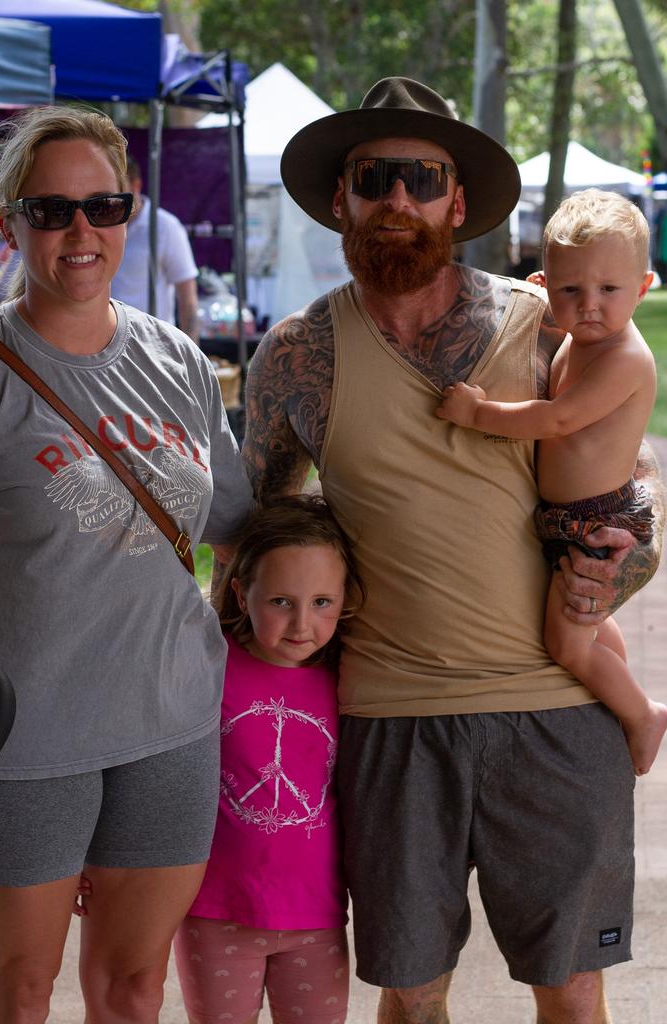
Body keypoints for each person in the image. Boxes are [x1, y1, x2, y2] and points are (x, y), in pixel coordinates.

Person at [241, 77, 664, 1024]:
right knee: (410, 988)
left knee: (573, 988)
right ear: (340, 199)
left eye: (421, 178)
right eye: (374, 177)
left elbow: (629, 488)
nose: (398, 199)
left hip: (556, 715)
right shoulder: (297, 358)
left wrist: (619, 561)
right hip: (392, 718)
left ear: (457, 202)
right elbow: (258, 540)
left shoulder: (548, 320)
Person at [0, 105, 252, 1023]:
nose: (81, 231)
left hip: (172, 724)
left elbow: (239, 523)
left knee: (134, 987)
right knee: (17, 990)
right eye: (51, 211)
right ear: (8, 222)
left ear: (131, 212)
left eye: (104, 205)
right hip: (19, 741)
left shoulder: (175, 357)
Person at [436, 188, 667, 777]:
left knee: (565, 643)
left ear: (643, 288)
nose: (589, 306)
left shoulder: (625, 359)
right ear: (544, 282)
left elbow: (557, 419)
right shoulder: (579, 338)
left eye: (609, 291)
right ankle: (620, 688)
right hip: (567, 519)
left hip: (603, 518)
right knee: (584, 628)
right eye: (571, 290)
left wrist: (477, 414)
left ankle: (642, 714)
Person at [172, 494, 364, 1024]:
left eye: (322, 602)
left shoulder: (352, 677)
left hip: (316, 914)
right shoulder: (207, 667)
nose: (302, 623)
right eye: (281, 601)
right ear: (241, 592)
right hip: (213, 910)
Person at [111, 155, 200, 339]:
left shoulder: (166, 227)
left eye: (121, 190)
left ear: (136, 185)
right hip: (104, 345)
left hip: (154, 346)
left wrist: (191, 359)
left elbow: (187, 299)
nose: (114, 199)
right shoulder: (99, 224)